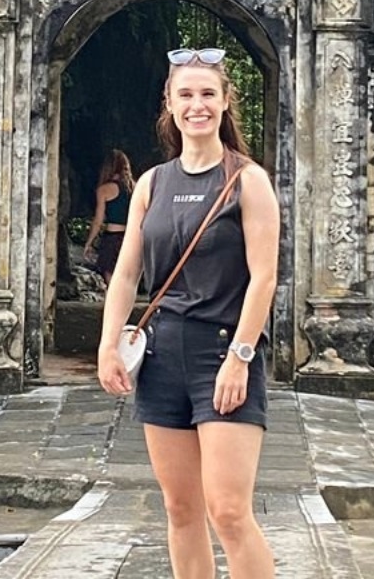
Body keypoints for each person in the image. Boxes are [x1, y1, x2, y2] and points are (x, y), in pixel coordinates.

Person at [96, 47, 279, 579]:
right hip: (161, 356)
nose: (196, 105)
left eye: (207, 94)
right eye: (186, 95)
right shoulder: (152, 182)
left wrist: (241, 356)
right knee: (180, 510)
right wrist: (110, 343)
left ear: (225, 103)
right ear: (170, 105)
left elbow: (264, 277)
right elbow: (128, 272)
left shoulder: (248, 181)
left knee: (228, 511)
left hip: (223, 353)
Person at [81, 149, 135, 274]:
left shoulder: (104, 190)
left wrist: (89, 242)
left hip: (112, 237)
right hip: (131, 237)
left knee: (108, 274)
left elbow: (98, 220)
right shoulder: (135, 187)